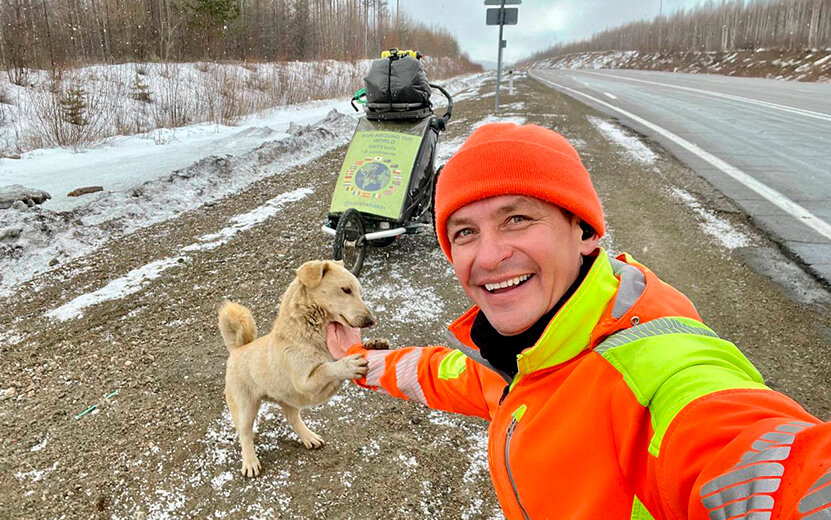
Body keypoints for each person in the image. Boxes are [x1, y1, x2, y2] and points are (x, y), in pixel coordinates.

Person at [326, 123, 831, 520]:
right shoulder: (530, 351)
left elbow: (763, 460)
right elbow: (444, 374)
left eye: (517, 218)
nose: (489, 256)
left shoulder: (659, 374)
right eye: (463, 233)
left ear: (584, 229)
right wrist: (358, 360)